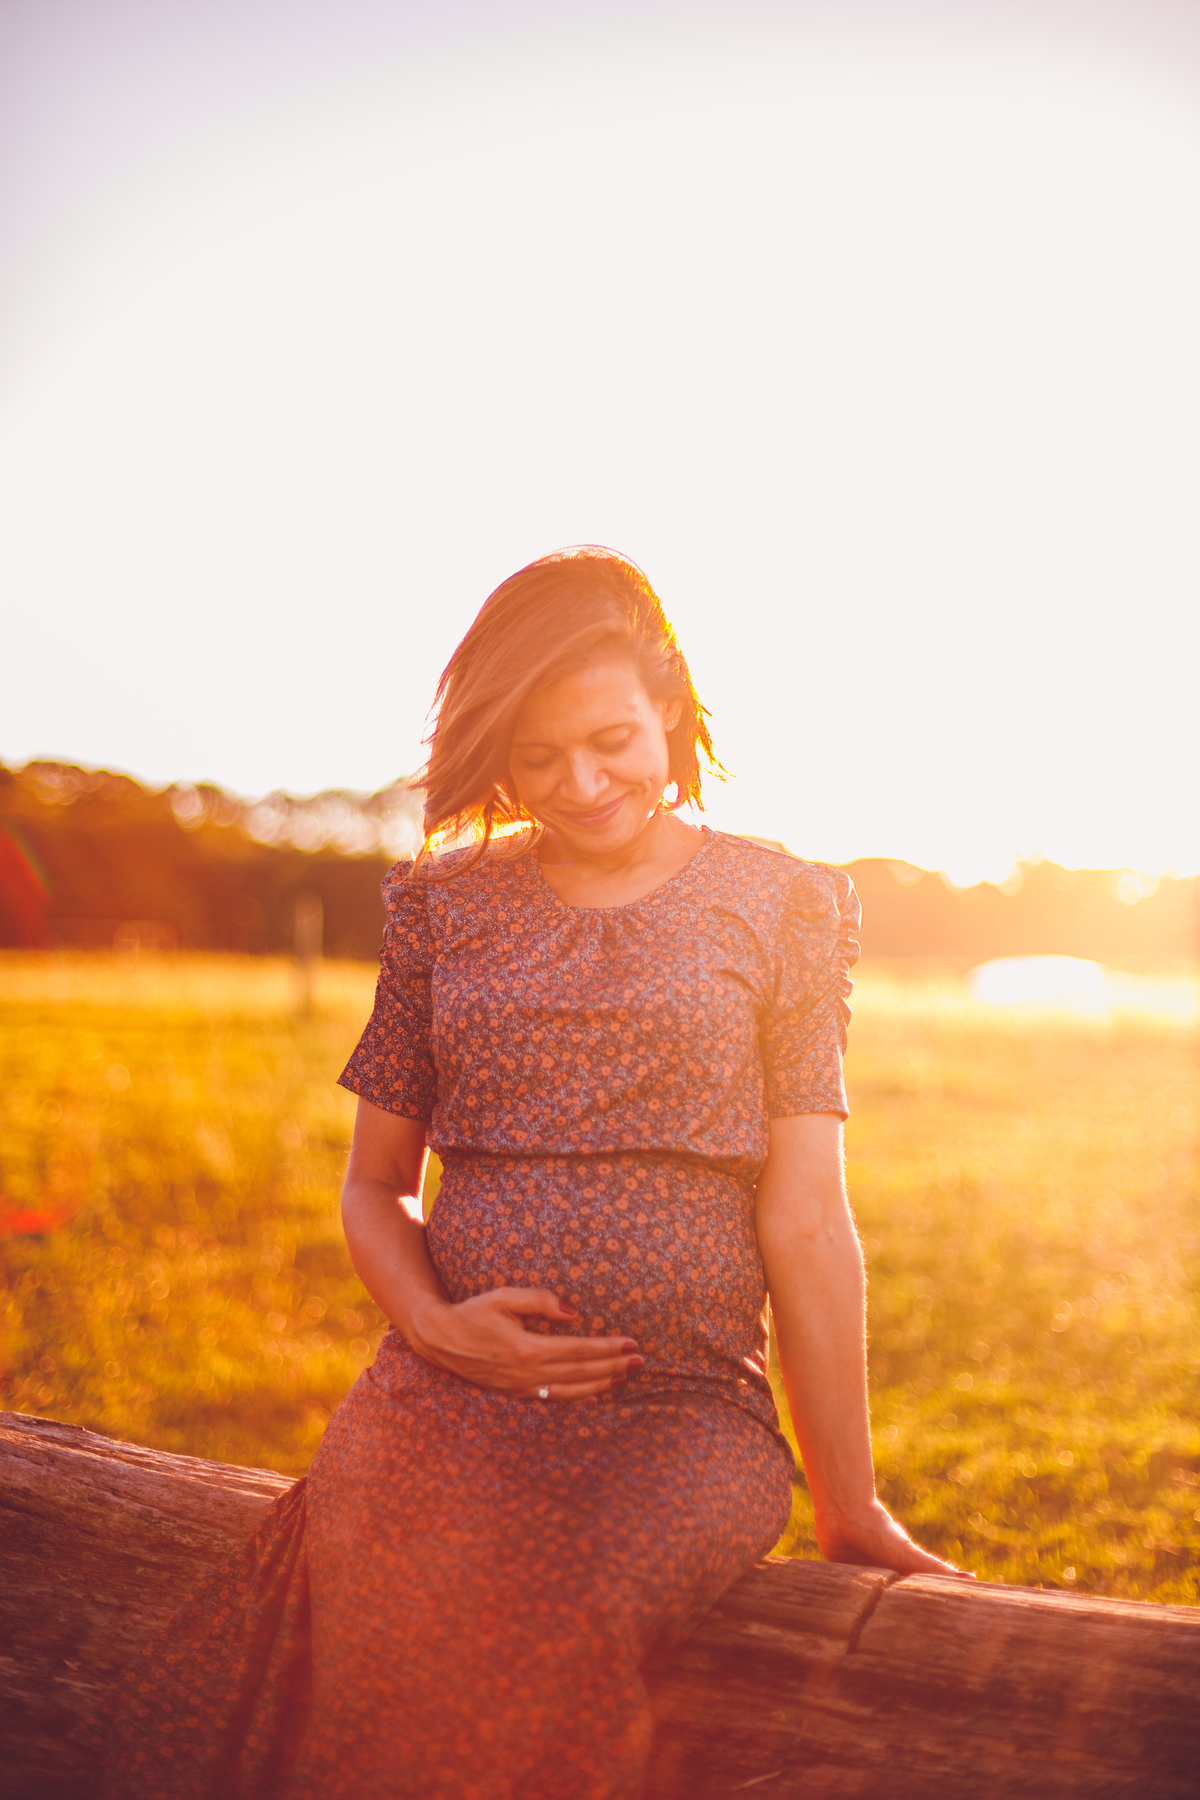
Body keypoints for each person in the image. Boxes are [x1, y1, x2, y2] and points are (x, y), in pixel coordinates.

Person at [103, 547, 964, 1800]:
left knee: (553, 1611)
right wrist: (434, 1325)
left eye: (612, 742)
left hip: (678, 1412)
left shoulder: (780, 902)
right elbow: (377, 1186)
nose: (583, 784)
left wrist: (851, 1507)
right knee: (378, 1603)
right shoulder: (442, 906)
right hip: (440, 1394)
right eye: (539, 757)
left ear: (670, 708)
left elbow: (810, 1221)